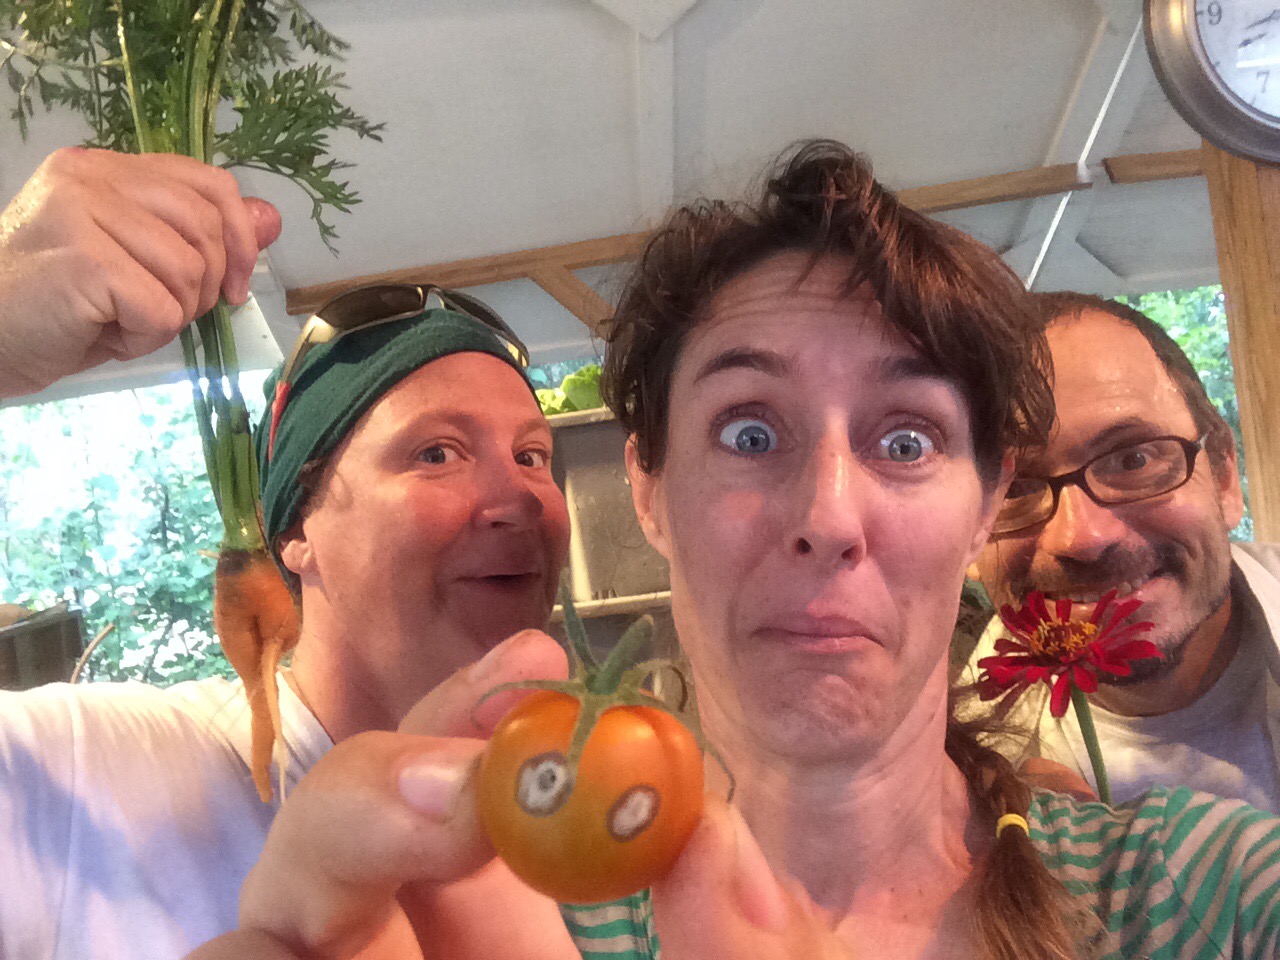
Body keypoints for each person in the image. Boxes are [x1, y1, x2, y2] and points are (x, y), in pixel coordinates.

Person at [188, 142, 1280, 960]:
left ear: (986, 503)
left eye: (906, 441)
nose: (829, 515)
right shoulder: (516, 912)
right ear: (648, 489)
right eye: (750, 432)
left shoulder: (1198, 890)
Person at [0, 147, 572, 959]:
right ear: (296, 532)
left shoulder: (589, 817)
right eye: (437, 453)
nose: (519, 498)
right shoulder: (91, 779)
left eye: (532, 455)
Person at [968, 292, 1280, 812]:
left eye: (1133, 460)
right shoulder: (955, 782)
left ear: (1224, 474)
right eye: (1015, 489)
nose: (1082, 538)